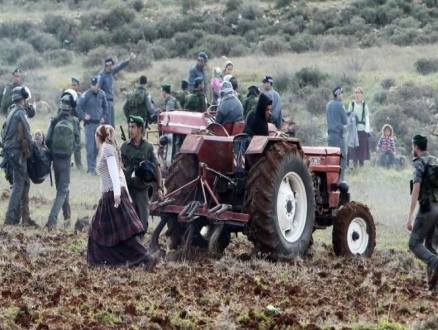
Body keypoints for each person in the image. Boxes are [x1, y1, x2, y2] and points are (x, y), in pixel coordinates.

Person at [86, 124, 157, 270]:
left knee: (118, 233)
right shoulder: (109, 149)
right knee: (109, 232)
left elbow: (114, 173)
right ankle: (101, 261)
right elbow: (119, 174)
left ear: (101, 136)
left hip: (112, 196)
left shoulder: (107, 148)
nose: (94, 137)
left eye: (96, 134)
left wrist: (118, 195)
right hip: (110, 195)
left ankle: (146, 258)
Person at [2, 86, 37, 227]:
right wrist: (33, 146)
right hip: (16, 153)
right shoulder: (21, 113)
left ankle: (17, 218)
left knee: (20, 182)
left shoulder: (11, 112)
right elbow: (28, 135)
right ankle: (10, 219)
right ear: (22, 100)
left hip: (10, 153)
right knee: (18, 185)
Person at [121, 115, 163, 232]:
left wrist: (159, 188)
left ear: (140, 129)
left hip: (142, 190)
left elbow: (156, 168)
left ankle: (138, 244)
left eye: (133, 127)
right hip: (128, 189)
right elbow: (118, 168)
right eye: (129, 127)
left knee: (142, 223)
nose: (130, 130)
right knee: (128, 221)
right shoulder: (124, 147)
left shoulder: (148, 147)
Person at [407, 134, 438, 291]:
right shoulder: (435, 161)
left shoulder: (419, 163)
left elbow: (416, 188)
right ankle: (433, 286)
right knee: (431, 245)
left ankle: (434, 262)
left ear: (416, 147)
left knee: (414, 243)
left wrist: (410, 215)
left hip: (427, 208)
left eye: (413, 147)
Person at [45, 95, 80, 230]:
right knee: (63, 190)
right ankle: (52, 219)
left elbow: (47, 139)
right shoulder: (74, 121)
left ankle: (67, 218)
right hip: (66, 159)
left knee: (63, 188)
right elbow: (77, 142)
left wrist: (54, 152)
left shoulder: (54, 120)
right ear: (71, 107)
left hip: (55, 159)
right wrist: (70, 150)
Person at [76, 77, 108, 175]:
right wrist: (84, 115)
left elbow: (105, 107)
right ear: (91, 85)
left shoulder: (102, 94)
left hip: (98, 124)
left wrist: (104, 117)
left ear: (98, 84)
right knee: (90, 147)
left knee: (97, 147)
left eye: (96, 84)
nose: (94, 86)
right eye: (93, 85)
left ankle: (93, 166)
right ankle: (91, 168)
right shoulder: (86, 95)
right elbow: (78, 107)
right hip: (89, 125)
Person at [98, 53, 136, 127]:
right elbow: (98, 89)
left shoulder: (111, 72)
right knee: (107, 125)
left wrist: (129, 59)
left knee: (112, 125)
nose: (113, 66)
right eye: (111, 65)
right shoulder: (102, 75)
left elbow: (120, 66)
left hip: (111, 102)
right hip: (105, 102)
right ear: (108, 65)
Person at [326, 86, 348, 181]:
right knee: (342, 159)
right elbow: (345, 121)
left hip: (330, 136)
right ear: (338, 94)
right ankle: (340, 181)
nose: (342, 95)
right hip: (338, 136)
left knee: (332, 159)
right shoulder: (340, 105)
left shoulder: (329, 105)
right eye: (341, 93)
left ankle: (331, 180)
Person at [347, 87, 371, 168]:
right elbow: (348, 117)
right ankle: (354, 165)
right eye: (356, 93)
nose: (357, 95)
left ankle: (361, 165)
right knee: (354, 148)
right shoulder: (352, 104)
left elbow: (367, 118)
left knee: (362, 148)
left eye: (358, 93)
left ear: (361, 94)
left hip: (362, 130)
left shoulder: (364, 105)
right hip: (354, 130)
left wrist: (367, 130)